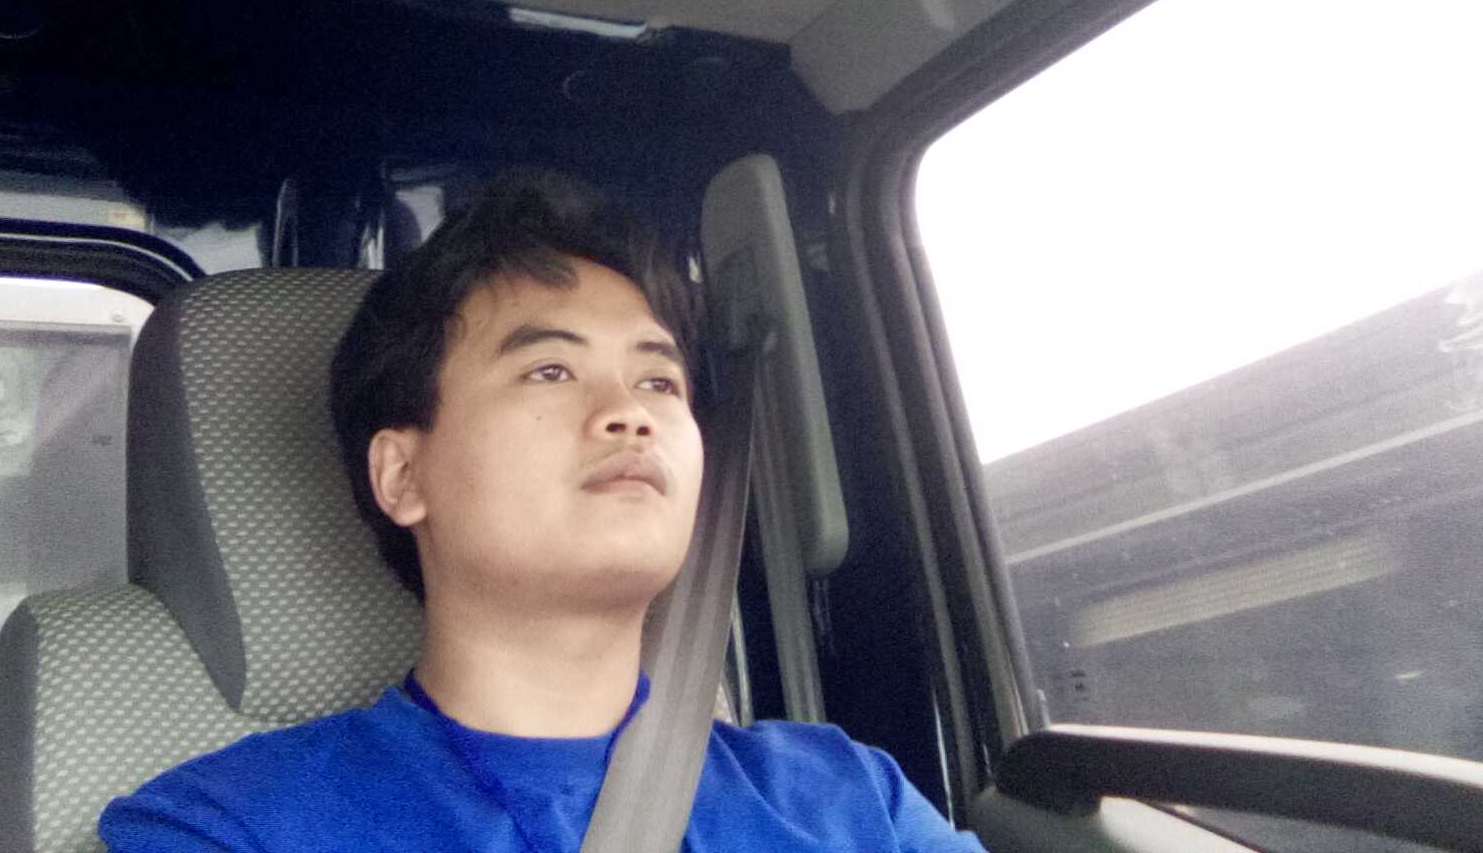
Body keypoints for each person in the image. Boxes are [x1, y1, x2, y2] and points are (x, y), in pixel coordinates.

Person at [99, 170, 986, 851]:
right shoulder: (231, 828)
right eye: (551, 370)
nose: (630, 412)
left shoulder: (848, 797)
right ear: (402, 475)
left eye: (659, 381)